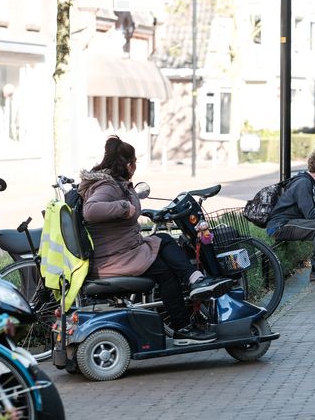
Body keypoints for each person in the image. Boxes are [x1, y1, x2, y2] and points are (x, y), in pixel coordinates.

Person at [79, 136, 231, 345]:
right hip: (114, 260)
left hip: (123, 251)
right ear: (128, 164)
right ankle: (182, 329)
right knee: (166, 274)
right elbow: (91, 210)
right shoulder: (108, 186)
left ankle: (195, 279)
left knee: (164, 239)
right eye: (135, 163)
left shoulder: (111, 183)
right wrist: (124, 208)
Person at [266, 151, 315, 281]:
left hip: (288, 222)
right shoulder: (304, 183)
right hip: (280, 226)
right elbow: (310, 214)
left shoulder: (309, 183)